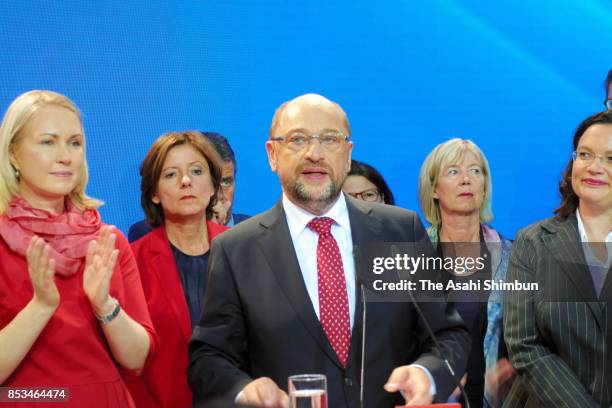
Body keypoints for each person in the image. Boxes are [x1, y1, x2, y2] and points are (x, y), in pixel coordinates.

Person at [188, 93, 470, 407]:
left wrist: (426, 373)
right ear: (272, 154)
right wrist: (245, 390)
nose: (315, 153)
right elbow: (209, 359)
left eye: (330, 140)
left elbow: (448, 335)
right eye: (297, 139)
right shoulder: (237, 249)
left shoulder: (399, 231)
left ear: (348, 155)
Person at [0, 90, 156, 407]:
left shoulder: (107, 241)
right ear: (13, 154)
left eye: (74, 143)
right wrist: (41, 306)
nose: (66, 156)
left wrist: (104, 305)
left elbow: (138, 359)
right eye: (48, 141)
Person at [503, 111, 612, 407]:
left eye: (610, 159)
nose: (594, 167)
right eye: (585, 154)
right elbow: (524, 344)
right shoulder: (531, 242)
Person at [124, 131, 229, 408]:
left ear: (213, 185)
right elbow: (128, 364)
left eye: (196, 171)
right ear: (154, 194)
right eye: (171, 174)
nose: (186, 181)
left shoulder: (241, 250)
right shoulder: (132, 261)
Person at [418, 138, 514, 407]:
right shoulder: (413, 256)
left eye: (475, 171)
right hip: (435, 400)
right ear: (434, 188)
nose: (466, 180)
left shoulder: (514, 257)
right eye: (453, 171)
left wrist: (516, 369)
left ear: (484, 187)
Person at [128, 131, 250, 242]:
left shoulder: (253, 233)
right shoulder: (143, 234)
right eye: (171, 174)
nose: (219, 195)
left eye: (226, 182)